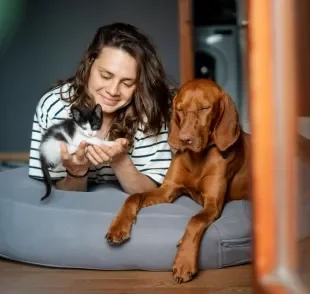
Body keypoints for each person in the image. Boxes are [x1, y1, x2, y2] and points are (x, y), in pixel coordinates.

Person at [28, 22, 175, 195]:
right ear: (90, 63)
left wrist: (120, 161)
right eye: (105, 76)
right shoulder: (55, 106)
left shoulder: (150, 112)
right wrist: (77, 172)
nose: (113, 91)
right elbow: (60, 198)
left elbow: (150, 192)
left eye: (127, 83)